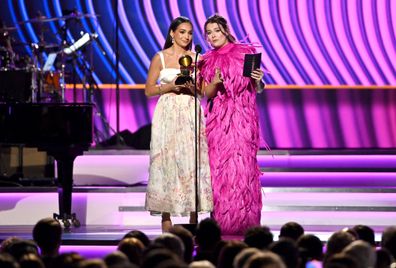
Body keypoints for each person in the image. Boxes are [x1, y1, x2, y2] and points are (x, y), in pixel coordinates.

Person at [144, 16, 213, 232]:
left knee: (191, 162)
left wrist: (193, 86)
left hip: (190, 111)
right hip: (167, 114)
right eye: (182, 32)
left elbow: (203, 92)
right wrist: (170, 86)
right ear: (172, 33)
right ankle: (166, 224)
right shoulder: (160, 58)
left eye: (190, 33)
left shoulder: (197, 58)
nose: (186, 36)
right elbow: (148, 90)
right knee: (166, 163)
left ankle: (193, 225)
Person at [197, 14, 265, 235]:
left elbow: (259, 88)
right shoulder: (206, 60)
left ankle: (246, 224)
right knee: (219, 170)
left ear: (225, 30)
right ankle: (221, 225)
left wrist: (258, 79)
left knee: (243, 168)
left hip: (243, 119)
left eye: (216, 30)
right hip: (218, 121)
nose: (212, 35)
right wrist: (215, 83)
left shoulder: (245, 53)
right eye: (209, 32)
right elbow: (206, 93)